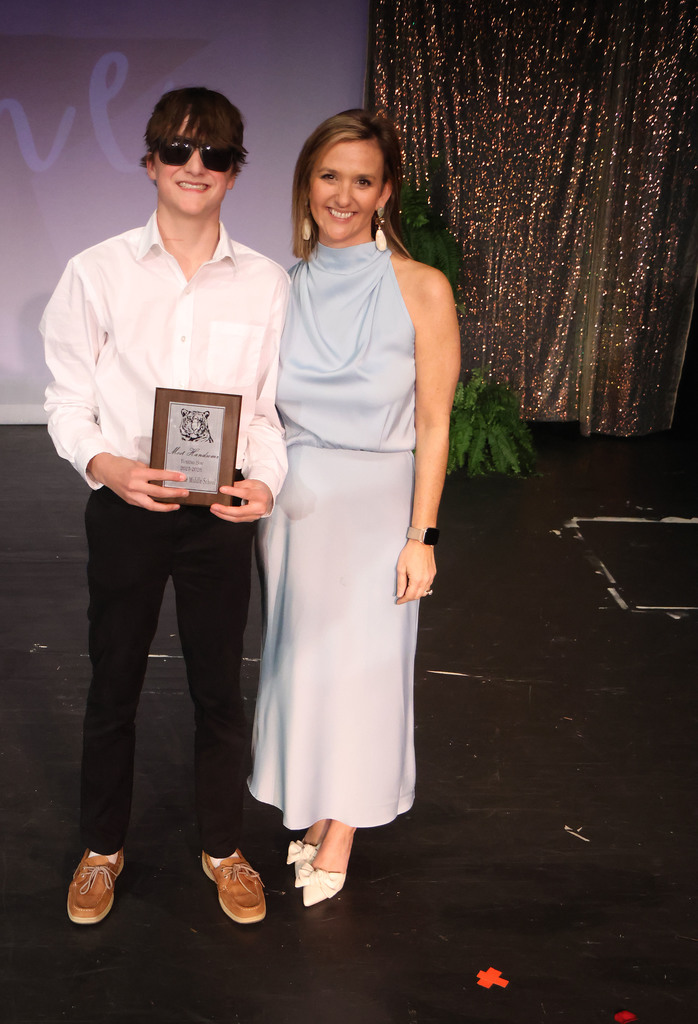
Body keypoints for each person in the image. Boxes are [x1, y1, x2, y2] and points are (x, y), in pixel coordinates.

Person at [42, 87, 289, 926]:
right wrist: (105, 463)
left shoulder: (264, 283)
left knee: (221, 689)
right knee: (114, 683)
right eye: (179, 152)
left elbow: (261, 412)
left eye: (213, 155)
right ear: (150, 161)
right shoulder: (96, 271)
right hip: (126, 509)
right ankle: (100, 850)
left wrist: (265, 481)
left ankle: (225, 847)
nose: (195, 168)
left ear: (234, 171)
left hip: (219, 516)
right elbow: (66, 400)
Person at [248, 109, 461, 906]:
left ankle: (342, 827)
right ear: (308, 183)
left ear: (385, 192)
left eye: (361, 180)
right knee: (307, 667)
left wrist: (423, 536)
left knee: (369, 672)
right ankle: (319, 804)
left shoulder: (422, 288)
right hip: (298, 508)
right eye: (329, 176)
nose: (344, 194)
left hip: (380, 507)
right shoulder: (279, 289)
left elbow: (436, 421)